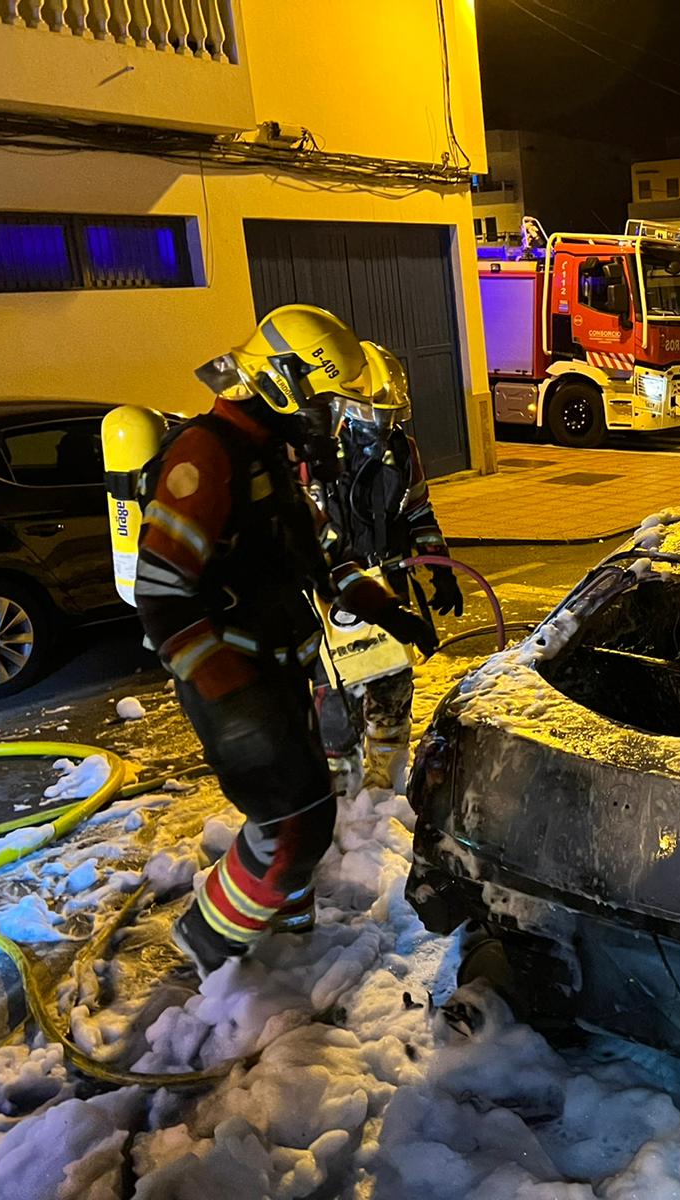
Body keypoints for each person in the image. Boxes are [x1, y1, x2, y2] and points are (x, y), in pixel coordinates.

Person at [135, 304, 436, 974]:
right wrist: (230, 697)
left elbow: (322, 562)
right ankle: (206, 947)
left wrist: (389, 613)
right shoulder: (206, 455)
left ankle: (288, 941)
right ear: (281, 384)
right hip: (235, 682)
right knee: (291, 820)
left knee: (307, 812)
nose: (329, 423)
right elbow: (160, 592)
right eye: (326, 404)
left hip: (279, 673)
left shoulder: (267, 457)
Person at [316, 344, 462, 795]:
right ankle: (338, 793)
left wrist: (441, 569)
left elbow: (418, 512)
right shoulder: (319, 459)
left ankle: (383, 786)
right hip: (335, 594)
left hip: (389, 582)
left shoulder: (403, 450)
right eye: (375, 414)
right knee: (336, 694)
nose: (384, 426)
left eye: (391, 416)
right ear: (345, 406)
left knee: (393, 687)